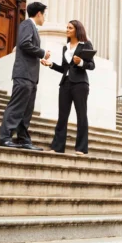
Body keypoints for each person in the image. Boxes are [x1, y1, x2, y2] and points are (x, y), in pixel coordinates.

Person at [0, 2, 50, 150]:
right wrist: (42, 52)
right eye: (44, 14)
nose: (44, 18)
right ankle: (5, 137)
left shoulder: (32, 27)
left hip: (31, 76)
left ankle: (23, 139)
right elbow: (24, 44)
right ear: (39, 13)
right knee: (16, 107)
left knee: (27, 110)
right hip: (24, 74)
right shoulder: (27, 24)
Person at [42, 20, 95, 155]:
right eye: (66, 27)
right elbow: (64, 68)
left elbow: (91, 65)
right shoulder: (65, 47)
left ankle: (81, 148)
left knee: (81, 115)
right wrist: (50, 64)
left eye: (70, 28)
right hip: (65, 83)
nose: (67, 30)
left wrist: (81, 62)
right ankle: (57, 147)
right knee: (62, 116)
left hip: (80, 84)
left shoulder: (86, 44)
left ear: (77, 30)